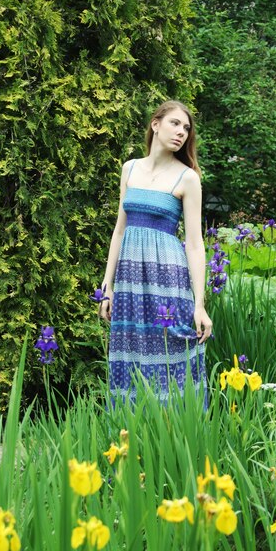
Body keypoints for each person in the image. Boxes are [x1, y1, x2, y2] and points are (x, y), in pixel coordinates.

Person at [99, 99, 212, 403]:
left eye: (187, 128)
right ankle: (128, 436)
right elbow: (119, 230)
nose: (182, 132)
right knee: (130, 352)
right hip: (130, 280)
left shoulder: (187, 178)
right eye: (175, 123)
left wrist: (199, 304)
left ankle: (174, 435)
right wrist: (107, 286)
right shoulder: (130, 169)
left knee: (169, 352)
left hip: (168, 279)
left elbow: (195, 243)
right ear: (155, 124)